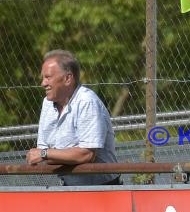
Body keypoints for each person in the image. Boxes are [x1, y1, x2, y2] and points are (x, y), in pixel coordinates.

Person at [26, 49, 121, 186]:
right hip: (68, 187)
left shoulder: (87, 101)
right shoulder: (47, 104)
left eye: (48, 77)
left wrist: (46, 153)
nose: (43, 83)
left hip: (101, 190)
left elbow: (86, 155)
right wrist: (50, 154)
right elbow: (44, 155)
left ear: (67, 79)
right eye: (43, 78)